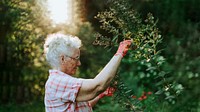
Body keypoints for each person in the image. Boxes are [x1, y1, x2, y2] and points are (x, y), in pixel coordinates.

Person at [44, 33, 132, 112]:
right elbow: (98, 85)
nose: (79, 63)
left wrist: (100, 94)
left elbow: (82, 107)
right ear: (63, 59)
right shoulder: (57, 82)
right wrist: (120, 53)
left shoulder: (59, 81)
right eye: (76, 58)